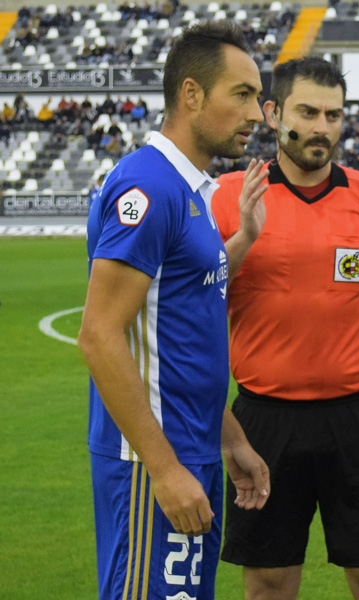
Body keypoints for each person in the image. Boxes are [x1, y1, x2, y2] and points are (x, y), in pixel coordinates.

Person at [211, 57, 359, 600]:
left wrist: (355, 353)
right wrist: (240, 239)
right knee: (268, 583)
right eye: (307, 112)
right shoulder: (226, 198)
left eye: (333, 115)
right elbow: (192, 308)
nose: (321, 127)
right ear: (272, 114)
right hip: (264, 419)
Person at [77, 21, 271, 600]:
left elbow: (184, 327)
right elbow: (99, 334)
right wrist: (163, 469)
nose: (258, 114)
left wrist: (229, 438)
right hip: (153, 462)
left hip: (192, 449)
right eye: (241, 95)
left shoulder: (193, 191)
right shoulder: (149, 188)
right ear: (191, 95)